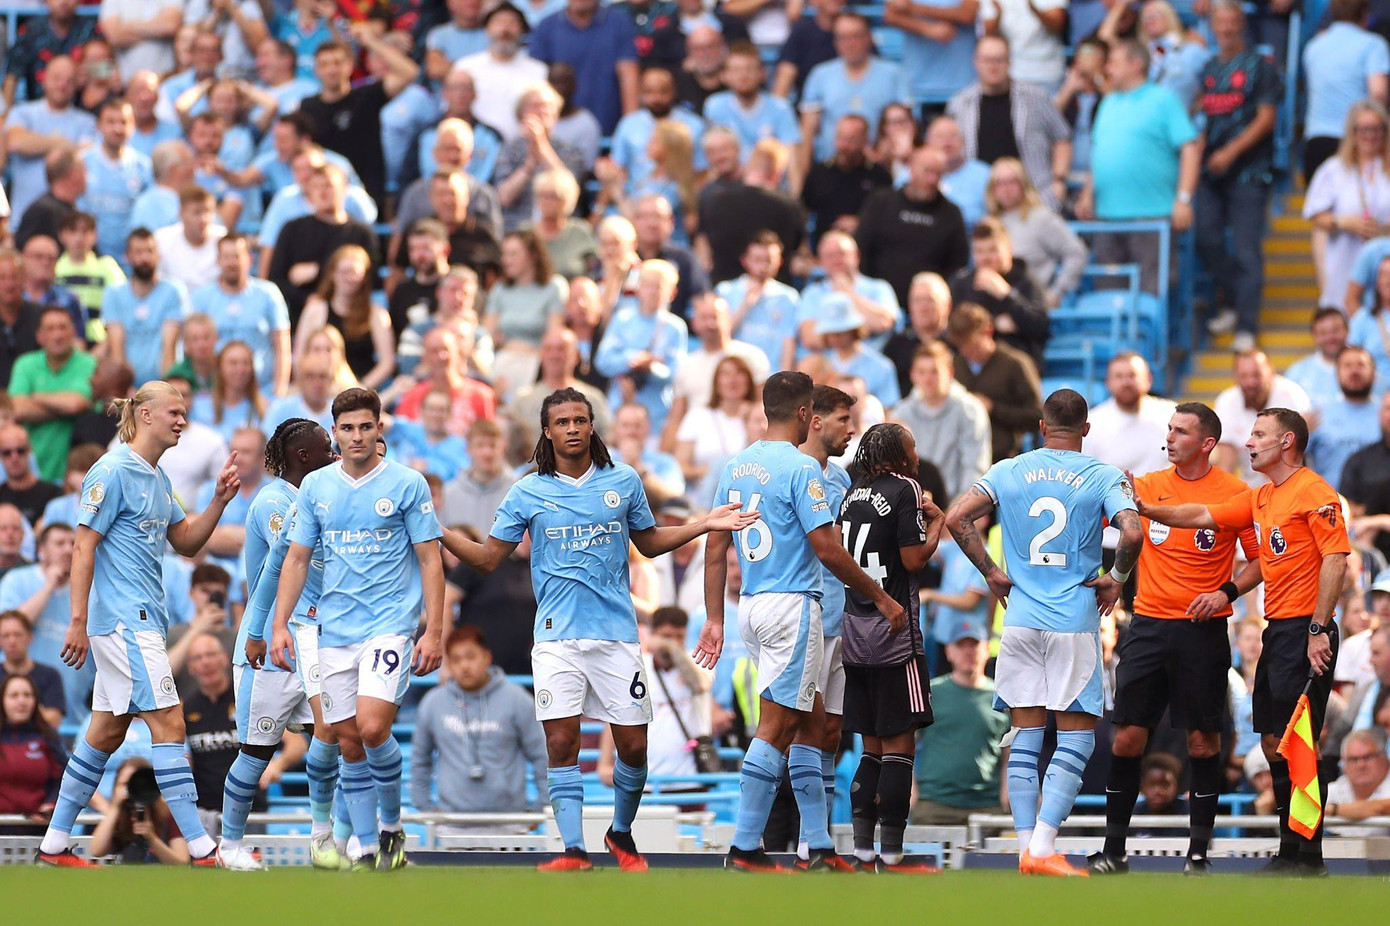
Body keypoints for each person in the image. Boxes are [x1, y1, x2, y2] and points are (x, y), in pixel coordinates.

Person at [443, 386, 756, 871]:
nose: (572, 429)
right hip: (555, 639)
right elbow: (486, 558)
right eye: (562, 422)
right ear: (547, 432)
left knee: (633, 744)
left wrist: (702, 524)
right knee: (562, 742)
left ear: (592, 425)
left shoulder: (623, 481)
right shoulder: (528, 490)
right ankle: (572, 849)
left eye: (579, 420)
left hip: (616, 636)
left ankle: (621, 833)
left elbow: (649, 544)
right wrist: (436, 527)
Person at [693, 371, 908, 872]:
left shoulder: (736, 465)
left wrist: (713, 618)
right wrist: (878, 595)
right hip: (794, 603)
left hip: (753, 601)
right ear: (805, 413)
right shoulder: (801, 468)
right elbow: (828, 548)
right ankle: (745, 846)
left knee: (810, 724)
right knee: (777, 725)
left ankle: (819, 846)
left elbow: (714, 546)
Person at [34, 381, 241, 867]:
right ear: (144, 414)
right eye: (173, 411)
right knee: (169, 722)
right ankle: (201, 848)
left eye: (184, 412)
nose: (182, 421)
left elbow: (186, 542)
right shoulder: (111, 470)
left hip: (140, 620)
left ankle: (53, 846)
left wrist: (219, 501)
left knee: (105, 734)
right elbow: (83, 545)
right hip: (126, 623)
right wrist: (77, 621)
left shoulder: (156, 476)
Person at [1140, 407, 1352, 875]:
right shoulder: (1261, 497)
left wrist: (1319, 628)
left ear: (1287, 442)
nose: (1250, 442)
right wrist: (1148, 507)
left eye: (1260, 434)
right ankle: (1289, 849)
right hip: (1278, 630)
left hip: (1305, 628)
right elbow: (1199, 513)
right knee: (1275, 741)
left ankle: (1309, 855)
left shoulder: (1315, 492)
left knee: (1299, 742)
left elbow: (1336, 559)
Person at [945, 388, 1143, 877]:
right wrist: (1115, 581)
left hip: (1018, 619)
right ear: (1087, 430)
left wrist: (991, 571)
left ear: (1041, 426)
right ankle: (1042, 846)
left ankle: (1024, 847)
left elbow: (955, 517)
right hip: (1073, 620)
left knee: (1025, 734)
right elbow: (1133, 533)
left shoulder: (1009, 469)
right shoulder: (1101, 475)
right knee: (1076, 739)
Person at [266, 388, 444, 872]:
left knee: (371, 726)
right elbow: (297, 558)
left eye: (366, 426)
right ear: (335, 433)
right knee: (347, 738)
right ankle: (368, 846)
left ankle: (390, 825)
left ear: (379, 428)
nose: (357, 436)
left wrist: (435, 631)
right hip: (334, 628)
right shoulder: (318, 487)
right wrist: (280, 624)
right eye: (347, 428)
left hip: (389, 626)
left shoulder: (408, 484)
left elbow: (430, 559)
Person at [1088, 402, 1259, 876]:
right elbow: (1101, 529)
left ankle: (1198, 855)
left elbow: (1259, 562)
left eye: (1181, 431)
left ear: (1207, 443)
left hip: (1203, 632)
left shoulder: (1235, 493)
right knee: (1126, 739)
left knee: (1203, 742)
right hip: (1147, 625)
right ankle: (1114, 851)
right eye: (1168, 428)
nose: (1170, 437)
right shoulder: (1143, 486)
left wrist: (1224, 592)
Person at [224, 417, 339, 870]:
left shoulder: (320, 497)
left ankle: (325, 839)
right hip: (269, 650)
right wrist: (257, 632)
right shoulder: (274, 501)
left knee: (332, 740)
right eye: (326, 446)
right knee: (255, 751)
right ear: (304, 456)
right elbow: (287, 561)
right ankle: (229, 846)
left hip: (313, 643)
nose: (334, 453)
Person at [839, 423, 943, 872]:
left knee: (870, 749)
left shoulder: (852, 492)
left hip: (854, 631)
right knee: (900, 748)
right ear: (897, 454)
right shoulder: (906, 488)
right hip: (895, 633)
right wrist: (937, 522)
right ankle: (894, 854)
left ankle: (862, 851)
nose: (916, 452)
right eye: (912, 444)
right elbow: (913, 559)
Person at [1077, 38, 1200, 299]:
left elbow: (1190, 147)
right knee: (1107, 293)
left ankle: (1147, 340)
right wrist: (1088, 194)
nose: (1107, 68)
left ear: (1135, 64)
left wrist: (1184, 198)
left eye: (1113, 62)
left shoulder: (1163, 99)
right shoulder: (1108, 103)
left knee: (1151, 293)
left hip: (1152, 215)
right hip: (1107, 217)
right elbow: (1099, 151)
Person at [1194, 1, 1280, 346]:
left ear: (1241, 24)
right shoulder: (1208, 68)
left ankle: (1246, 324)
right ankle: (1229, 299)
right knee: (1206, 240)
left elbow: (1266, 118)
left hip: (1250, 171)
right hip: (1211, 172)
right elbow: (1199, 116)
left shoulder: (1260, 66)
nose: (1226, 28)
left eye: (1232, 22)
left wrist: (1230, 152)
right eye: (1220, 22)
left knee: (1246, 250)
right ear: (1212, 25)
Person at [410, 626, 549, 831]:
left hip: (509, 825)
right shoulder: (433, 703)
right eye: (456, 660)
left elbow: (542, 756)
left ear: (487, 657)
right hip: (451, 826)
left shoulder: (517, 699)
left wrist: (541, 809)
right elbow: (420, 760)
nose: (464, 666)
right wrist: (427, 809)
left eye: (470, 657)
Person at [946, 36, 1072, 211]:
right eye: (987, 60)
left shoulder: (1036, 97)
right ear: (975, 62)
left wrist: (1059, 181)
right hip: (981, 199)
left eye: (999, 60)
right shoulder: (959, 104)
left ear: (1010, 62)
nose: (993, 66)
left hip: (1033, 197)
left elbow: (1062, 138)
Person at [298, 33, 420, 208]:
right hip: (324, 196)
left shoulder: (367, 95)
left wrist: (371, 41)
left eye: (338, 63)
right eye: (324, 64)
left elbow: (410, 72)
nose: (332, 70)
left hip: (367, 195)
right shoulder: (307, 107)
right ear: (316, 70)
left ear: (350, 66)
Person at [596, 605, 714, 784]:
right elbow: (617, 714)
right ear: (652, 634)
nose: (672, 642)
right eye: (666, 636)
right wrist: (604, 763)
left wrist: (673, 650)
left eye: (679, 637)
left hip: (691, 779)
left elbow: (700, 685)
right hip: (648, 779)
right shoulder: (638, 666)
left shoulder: (696, 660)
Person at [911, 622, 1009, 825]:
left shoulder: (1003, 698)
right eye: (961, 646)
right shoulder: (930, 693)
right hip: (934, 805)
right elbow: (904, 745)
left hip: (987, 807)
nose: (968, 652)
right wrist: (910, 792)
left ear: (987, 649)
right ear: (948, 652)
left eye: (974, 645)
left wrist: (1006, 794)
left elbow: (1010, 754)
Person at [797, 12, 909, 183]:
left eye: (856, 36)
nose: (850, 43)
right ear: (835, 41)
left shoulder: (893, 74)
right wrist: (804, 177)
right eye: (843, 37)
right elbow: (807, 131)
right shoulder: (820, 75)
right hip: (832, 169)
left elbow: (905, 125)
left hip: (879, 170)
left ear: (869, 38)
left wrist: (886, 151)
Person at [267, 165, 381, 326]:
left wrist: (319, 270)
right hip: (302, 319)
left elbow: (372, 279)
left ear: (344, 189)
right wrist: (309, 299)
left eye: (328, 186)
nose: (322, 193)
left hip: (351, 321)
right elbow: (276, 280)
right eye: (316, 187)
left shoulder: (361, 233)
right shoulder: (293, 229)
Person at [857, 146, 970, 306]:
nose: (932, 179)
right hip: (879, 302)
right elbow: (862, 249)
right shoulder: (881, 202)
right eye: (927, 171)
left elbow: (957, 265)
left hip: (929, 305)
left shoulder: (951, 213)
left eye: (938, 173)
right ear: (910, 168)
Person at [1305, 102, 1390, 313]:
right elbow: (1315, 216)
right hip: (1346, 259)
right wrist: (1344, 222)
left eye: (1376, 129)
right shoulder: (1333, 169)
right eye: (1363, 129)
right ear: (1352, 132)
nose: (1370, 135)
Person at [1301, 0, 1390, 183]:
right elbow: (1378, 94)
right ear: (1365, 13)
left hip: (1316, 140)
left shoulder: (1313, 47)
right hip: (1357, 140)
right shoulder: (1373, 45)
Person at [891, 342, 991, 503]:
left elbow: (975, 468)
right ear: (912, 375)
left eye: (934, 372)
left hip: (958, 506)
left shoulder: (971, 410)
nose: (927, 379)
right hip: (911, 506)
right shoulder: (900, 414)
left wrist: (958, 510)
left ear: (950, 373)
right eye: (921, 372)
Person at [9, 307, 98, 484]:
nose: (58, 335)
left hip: (73, 477)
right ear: (39, 336)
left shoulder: (88, 363)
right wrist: (64, 408)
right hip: (30, 473)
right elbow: (16, 409)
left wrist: (35, 396)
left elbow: (75, 404)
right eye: (50, 329)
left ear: (73, 331)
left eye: (62, 327)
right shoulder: (25, 364)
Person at [7, 56, 96, 229]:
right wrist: (62, 144)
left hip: (69, 226)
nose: (62, 85)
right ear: (44, 79)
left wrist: (39, 143)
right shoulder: (23, 112)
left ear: (77, 85)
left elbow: (87, 158)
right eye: (56, 78)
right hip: (23, 222)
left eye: (69, 81)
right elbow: (16, 142)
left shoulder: (87, 122)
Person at [986, 157, 1087, 308]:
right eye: (1000, 183)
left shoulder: (1041, 218)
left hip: (1032, 302)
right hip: (993, 304)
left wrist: (1057, 292)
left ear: (1024, 185)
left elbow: (1077, 253)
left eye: (1012, 182)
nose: (1006, 189)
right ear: (992, 189)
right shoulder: (988, 223)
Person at [947, 303, 1044, 461]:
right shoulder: (955, 365)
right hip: (961, 457)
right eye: (960, 346)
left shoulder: (1016, 364)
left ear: (988, 331)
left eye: (972, 344)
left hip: (1004, 457)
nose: (966, 351)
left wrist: (993, 408)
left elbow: (1037, 417)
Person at [528, 0, 640, 136]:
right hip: (558, 130)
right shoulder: (547, 26)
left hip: (610, 127)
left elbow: (629, 75)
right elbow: (535, 79)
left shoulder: (619, 22)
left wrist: (630, 129)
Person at [947, 218, 1049, 365]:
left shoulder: (1026, 279)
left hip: (1018, 366)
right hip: (971, 366)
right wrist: (995, 324)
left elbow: (1040, 327)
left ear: (1009, 249)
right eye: (979, 251)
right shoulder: (962, 283)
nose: (985, 258)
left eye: (993, 250)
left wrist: (1006, 294)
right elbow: (955, 329)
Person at [1213, 350, 1312, 485]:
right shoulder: (1227, 401)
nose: (1251, 382)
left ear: (1271, 372)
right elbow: (1226, 464)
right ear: (1235, 377)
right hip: (1249, 488)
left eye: (1257, 375)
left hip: (1289, 484)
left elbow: (1292, 457)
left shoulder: (1291, 396)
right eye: (1244, 376)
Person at [676, 356, 759, 505]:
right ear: (717, 382)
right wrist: (712, 471)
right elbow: (680, 466)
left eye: (739, 373)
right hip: (703, 496)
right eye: (726, 374)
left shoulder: (760, 416)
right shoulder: (698, 415)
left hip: (749, 496)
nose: (732, 380)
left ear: (749, 381)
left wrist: (749, 419)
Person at [800, 114, 893, 243]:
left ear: (864, 141)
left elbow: (887, 216)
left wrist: (861, 222)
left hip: (864, 248)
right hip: (823, 248)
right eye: (840, 138)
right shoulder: (819, 172)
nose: (844, 146)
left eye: (851, 140)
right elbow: (804, 210)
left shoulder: (879, 176)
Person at [1086, 352, 1178, 479]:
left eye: (1132, 375)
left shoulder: (1172, 414)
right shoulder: (1092, 423)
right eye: (1119, 376)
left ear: (1149, 380)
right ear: (1108, 383)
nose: (1126, 383)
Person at [87, 757, 188, 864]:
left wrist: (152, 839)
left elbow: (182, 861)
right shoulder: (120, 816)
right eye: (125, 784)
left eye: (137, 785)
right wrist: (114, 808)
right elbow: (96, 850)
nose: (132, 790)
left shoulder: (168, 815)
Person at [1307, 347, 1381, 487]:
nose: (1354, 371)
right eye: (1347, 366)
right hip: (1329, 502)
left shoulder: (1385, 413)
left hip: (1378, 505)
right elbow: (1293, 458)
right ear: (1337, 373)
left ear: (1374, 372)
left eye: (1361, 365)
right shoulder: (1317, 415)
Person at [0, 672, 65, 825]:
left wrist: (51, 803)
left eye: (27, 695)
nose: (22, 701)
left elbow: (65, 777)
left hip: (37, 828)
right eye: (14, 695)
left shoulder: (48, 736)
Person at [0, 610, 65, 728]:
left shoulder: (50, 675)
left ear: (30, 637)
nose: (12, 641)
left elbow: (54, 721)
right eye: (5, 636)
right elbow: (47, 718)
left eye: (17, 634)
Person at [154, 188, 226, 292]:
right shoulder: (162, 239)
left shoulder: (223, 239)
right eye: (196, 213)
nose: (203, 219)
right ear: (181, 213)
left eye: (208, 211)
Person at [1286, 308, 1353, 414]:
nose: (1330, 337)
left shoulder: (1363, 369)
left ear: (1347, 330)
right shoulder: (1297, 372)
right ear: (1314, 336)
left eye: (1335, 331)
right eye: (1323, 333)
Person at [1325, 729, 1390, 834]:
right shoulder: (1333, 790)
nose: (1361, 765)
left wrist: (1333, 810)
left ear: (1384, 758)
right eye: (1353, 759)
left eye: (1368, 757)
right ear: (1343, 763)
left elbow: (1384, 807)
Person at [0, 424, 63, 526]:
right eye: (7, 452)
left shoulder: (54, 494)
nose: (14, 458)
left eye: (20, 451)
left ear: (29, 450)